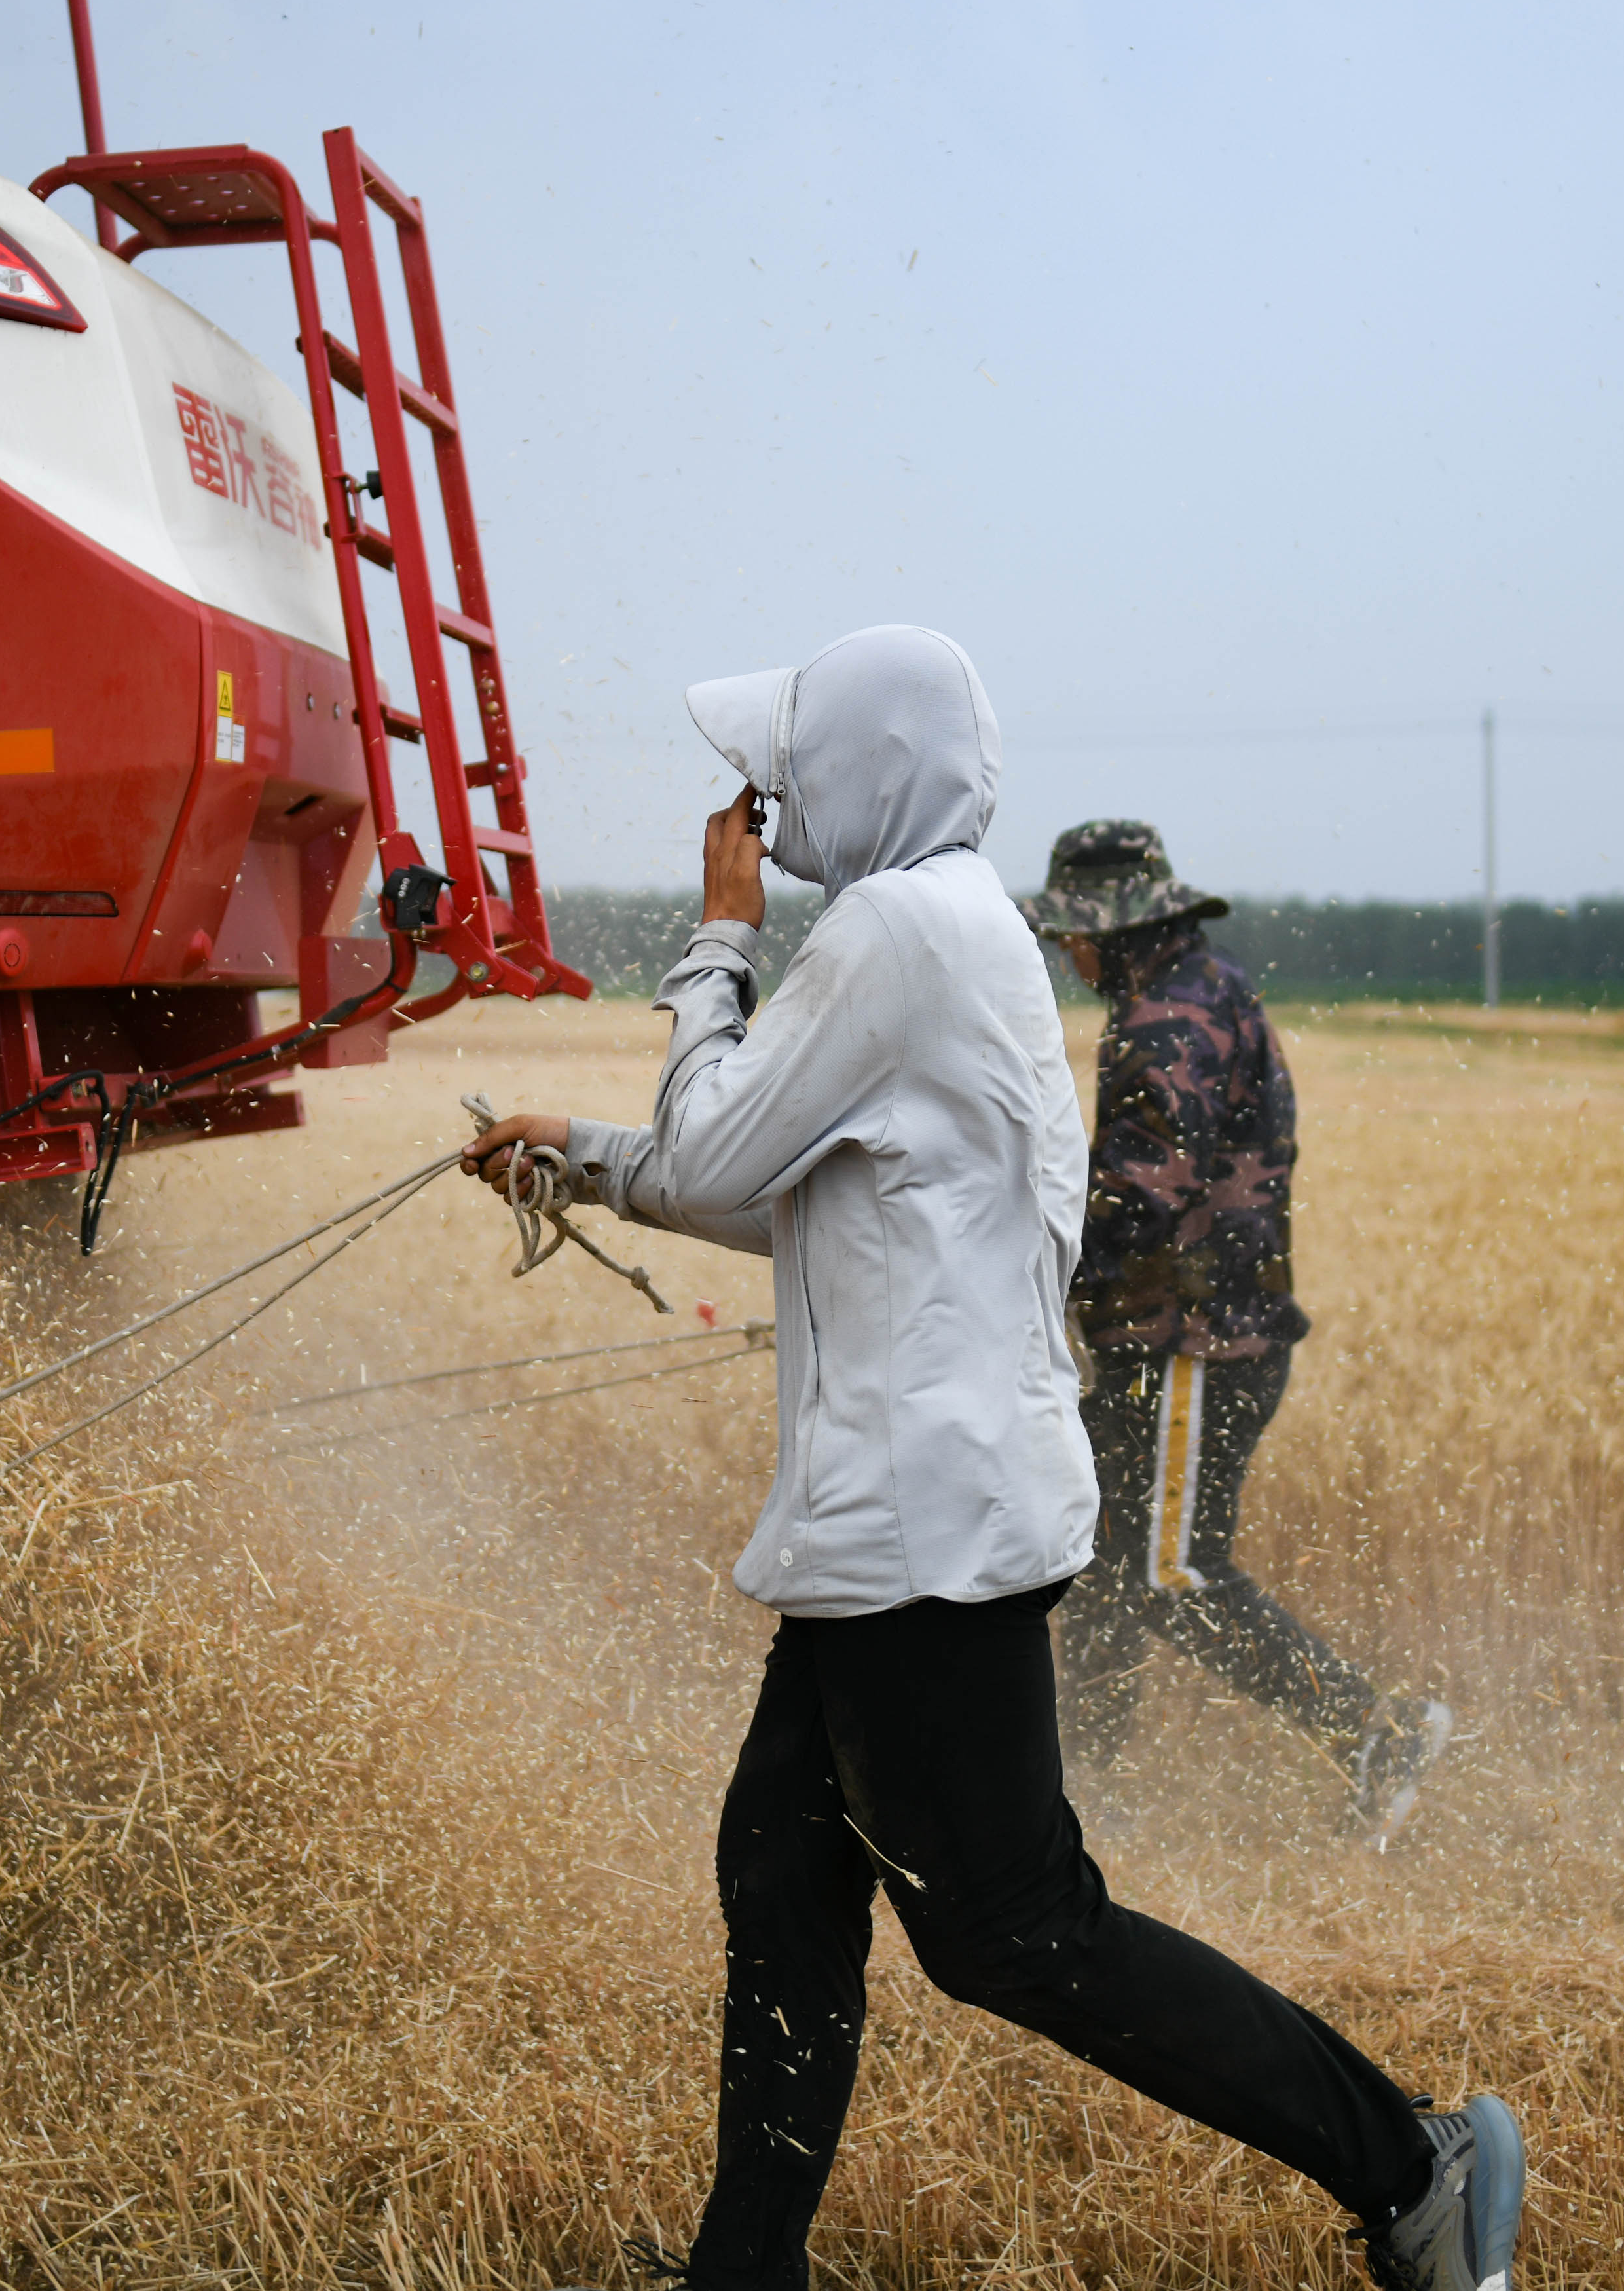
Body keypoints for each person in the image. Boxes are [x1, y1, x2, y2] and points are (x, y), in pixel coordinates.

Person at [462, 628, 1522, 2291]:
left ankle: (1407, 2158)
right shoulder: (954, 927)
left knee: (1018, 1929)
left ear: (862, 772)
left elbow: (720, 1137)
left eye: (777, 767)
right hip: (895, 1521)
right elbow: (778, 1184)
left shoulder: (889, 927)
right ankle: (743, 2270)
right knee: (782, 1868)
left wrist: (714, 939)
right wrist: (584, 1159)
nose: (750, 799)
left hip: (916, 1534)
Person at [1021, 821, 1454, 1839]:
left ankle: (1376, 1731)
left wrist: (1013, 1264)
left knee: (1171, 1573)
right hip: (1188, 1337)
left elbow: (1140, 1196)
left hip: (1194, 1346)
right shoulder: (1208, 987)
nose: (1061, 955)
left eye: (1067, 937)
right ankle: (1083, 1796)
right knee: (1101, 1560)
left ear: (1109, 929)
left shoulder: (1165, 1021)